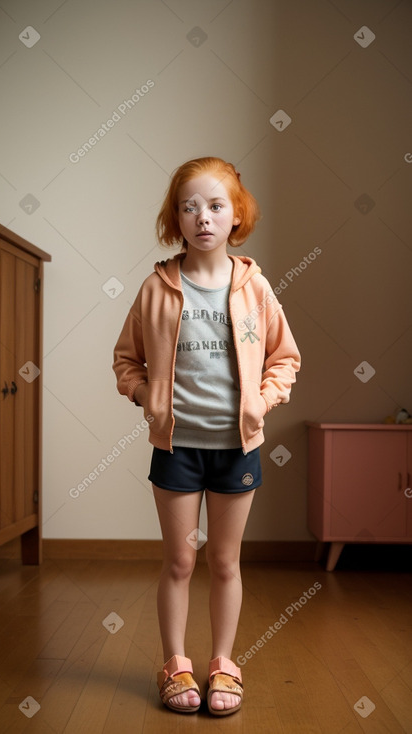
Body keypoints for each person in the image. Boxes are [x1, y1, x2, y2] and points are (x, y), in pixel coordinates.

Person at [112, 156, 301, 716]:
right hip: (177, 449)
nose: (203, 217)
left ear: (236, 215)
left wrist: (260, 403)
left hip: (236, 449)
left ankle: (223, 664)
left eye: (216, 206)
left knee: (224, 562)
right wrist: (147, 396)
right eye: (189, 207)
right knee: (179, 563)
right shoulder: (157, 287)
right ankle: (176, 664)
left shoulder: (255, 287)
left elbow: (284, 359)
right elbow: (127, 360)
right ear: (177, 218)